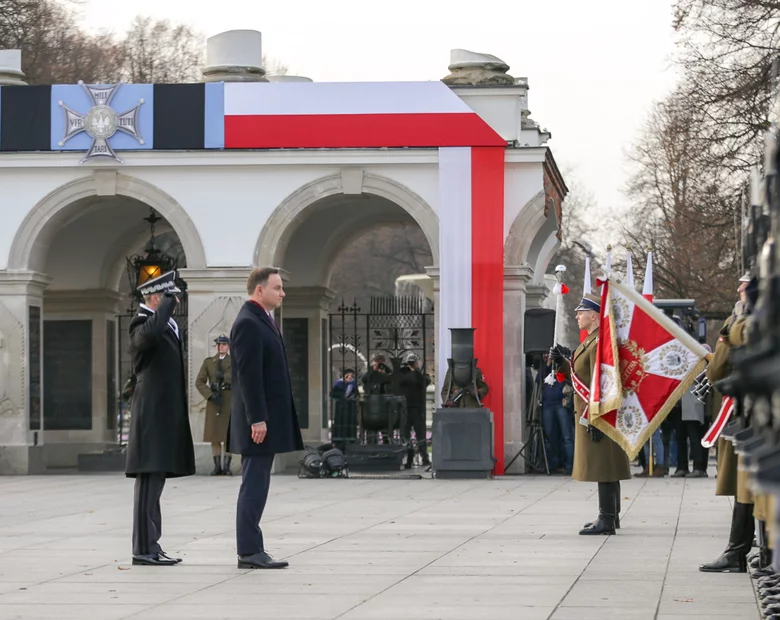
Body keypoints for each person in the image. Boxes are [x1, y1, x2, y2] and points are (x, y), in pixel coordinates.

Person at [229, 267, 304, 570]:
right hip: (257, 424)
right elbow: (248, 377)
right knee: (254, 485)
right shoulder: (248, 322)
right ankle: (248, 551)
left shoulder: (263, 320)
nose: (282, 293)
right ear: (259, 290)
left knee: (258, 484)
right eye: (277, 288)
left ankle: (253, 547)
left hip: (263, 421)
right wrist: (257, 418)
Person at [125, 270, 195, 566]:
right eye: (169, 298)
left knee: (156, 481)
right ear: (155, 297)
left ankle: (153, 544)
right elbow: (147, 338)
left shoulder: (164, 323)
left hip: (163, 410)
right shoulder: (141, 323)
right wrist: (165, 307)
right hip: (151, 412)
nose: (174, 303)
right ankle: (143, 548)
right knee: (148, 479)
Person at [557, 293, 631, 536]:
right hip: (592, 411)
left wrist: (596, 418)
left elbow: (603, 383)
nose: (577, 316)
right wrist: (562, 363)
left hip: (598, 414)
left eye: (582, 312)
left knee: (604, 466)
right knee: (605, 464)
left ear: (594, 315)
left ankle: (607, 519)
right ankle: (611, 515)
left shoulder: (600, 342)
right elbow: (583, 378)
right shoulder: (592, 340)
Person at [699, 273, 754, 573]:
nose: (738, 290)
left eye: (744, 286)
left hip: (747, 412)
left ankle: (738, 552)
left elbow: (717, 371)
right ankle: (749, 553)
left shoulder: (742, 323)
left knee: (747, 484)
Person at [195, 335, 233, 476]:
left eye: (223, 344)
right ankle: (217, 466)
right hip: (214, 401)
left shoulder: (233, 362)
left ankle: (227, 466)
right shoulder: (209, 362)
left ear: (228, 346)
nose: (221, 347)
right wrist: (210, 395)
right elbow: (199, 381)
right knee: (215, 435)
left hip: (229, 400)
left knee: (228, 435)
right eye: (218, 345)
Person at [539, 353, 574, 475]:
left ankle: (569, 465)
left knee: (567, 436)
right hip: (548, 404)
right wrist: (547, 364)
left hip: (561, 403)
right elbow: (539, 380)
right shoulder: (544, 368)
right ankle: (552, 464)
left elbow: (570, 379)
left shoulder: (563, 365)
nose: (547, 357)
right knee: (549, 436)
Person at [396, 353, 432, 468]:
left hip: (416, 408)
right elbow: (412, 380)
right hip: (406, 409)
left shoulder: (417, 375)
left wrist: (417, 372)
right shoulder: (404, 375)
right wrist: (414, 371)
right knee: (405, 435)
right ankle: (407, 459)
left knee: (420, 434)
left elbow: (424, 381)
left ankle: (424, 457)